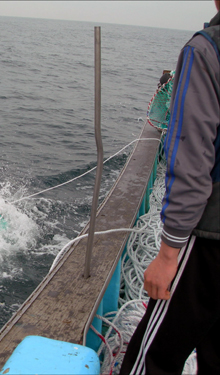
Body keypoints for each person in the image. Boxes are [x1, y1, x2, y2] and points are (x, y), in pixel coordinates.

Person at [120, 2, 220, 374]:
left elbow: (193, 159)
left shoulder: (204, 50)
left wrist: (168, 254)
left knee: (153, 357)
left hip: (207, 237)